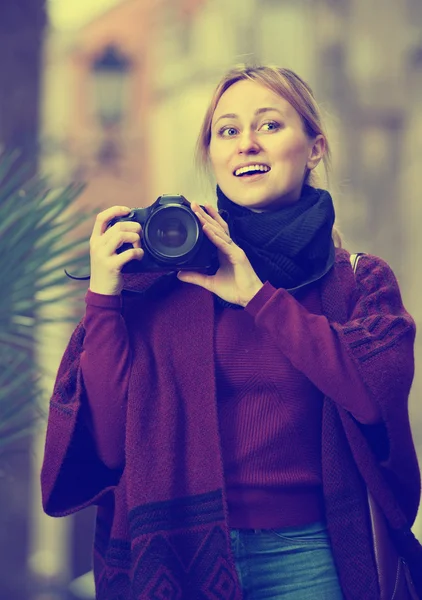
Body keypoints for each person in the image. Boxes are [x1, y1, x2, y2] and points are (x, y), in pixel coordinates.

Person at [41, 65, 421, 600]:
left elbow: (370, 396)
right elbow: (107, 438)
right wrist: (104, 295)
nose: (246, 144)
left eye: (269, 125)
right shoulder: (164, 280)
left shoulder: (360, 282)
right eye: (227, 130)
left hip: (309, 557)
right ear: (213, 156)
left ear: (314, 149)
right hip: (178, 555)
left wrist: (256, 296)